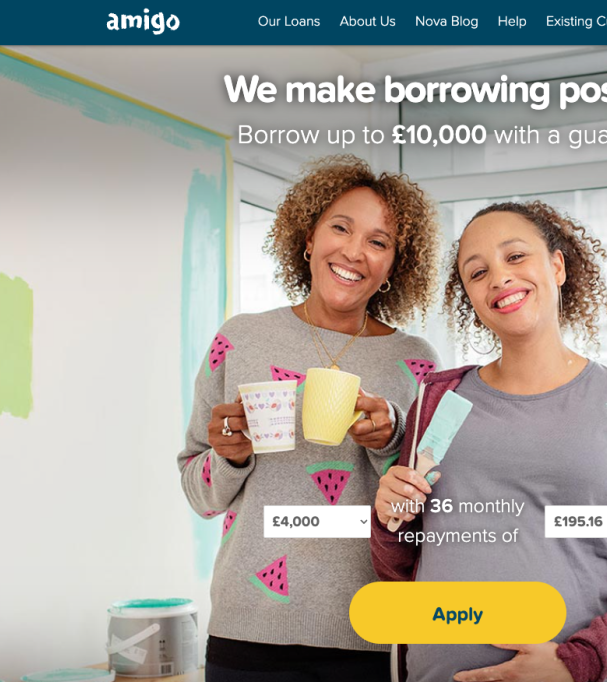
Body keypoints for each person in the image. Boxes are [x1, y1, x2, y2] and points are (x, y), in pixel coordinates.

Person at [371, 201, 607, 682]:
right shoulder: (438, 400)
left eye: (515, 257)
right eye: (477, 272)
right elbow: (400, 567)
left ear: (557, 265)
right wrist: (389, 520)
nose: (499, 278)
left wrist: (578, 663)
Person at [178, 155, 442, 682]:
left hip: (369, 632)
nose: (353, 251)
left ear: (395, 265)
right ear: (307, 237)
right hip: (245, 629)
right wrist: (230, 458)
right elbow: (198, 493)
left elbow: (430, 506)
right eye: (339, 227)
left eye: (378, 241)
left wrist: (393, 436)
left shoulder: (416, 361)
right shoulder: (241, 339)